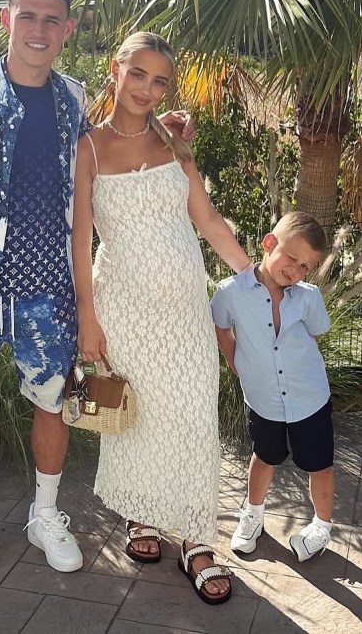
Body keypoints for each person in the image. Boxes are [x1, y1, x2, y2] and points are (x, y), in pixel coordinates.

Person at [0, 0, 190, 582]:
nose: (39, 30)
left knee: (53, 408)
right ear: (7, 19)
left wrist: (172, 137)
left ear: (67, 30)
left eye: (52, 20)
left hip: (48, 293)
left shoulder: (72, 98)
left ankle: (44, 515)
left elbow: (114, 147)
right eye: (28, 16)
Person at [71, 32, 253, 606]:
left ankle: (199, 542)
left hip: (183, 313)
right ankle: (141, 513)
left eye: (160, 81)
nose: (148, 90)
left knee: (194, 417)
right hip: (121, 309)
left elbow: (207, 220)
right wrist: (87, 316)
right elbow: (79, 239)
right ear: (115, 71)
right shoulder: (89, 149)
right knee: (135, 415)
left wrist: (256, 278)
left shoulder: (176, 143)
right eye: (138, 75)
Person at [211, 211, 336, 562]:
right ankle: (252, 515)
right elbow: (221, 326)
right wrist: (233, 359)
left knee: (320, 465)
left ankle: (321, 527)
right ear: (269, 243)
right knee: (264, 457)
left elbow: (313, 334)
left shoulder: (308, 297)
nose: (296, 272)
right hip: (263, 398)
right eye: (292, 259)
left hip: (309, 398)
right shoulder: (231, 293)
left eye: (306, 268)